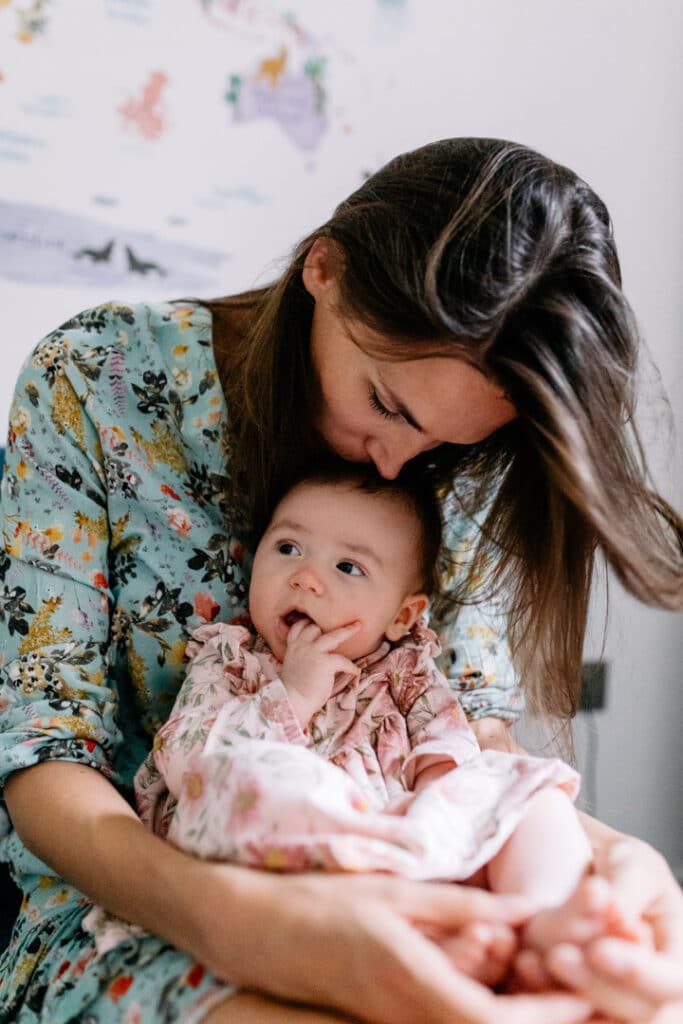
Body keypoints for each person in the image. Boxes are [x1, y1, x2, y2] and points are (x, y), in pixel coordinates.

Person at [0, 137, 682, 1023]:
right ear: (324, 268)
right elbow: (45, 754)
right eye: (387, 406)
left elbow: (472, 751)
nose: (402, 465)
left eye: (447, 444)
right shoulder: (97, 380)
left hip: (406, 873)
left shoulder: (452, 461)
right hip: (130, 905)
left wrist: (609, 864)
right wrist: (247, 926)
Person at [85, 465, 622, 990]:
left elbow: (446, 738)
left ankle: (537, 919)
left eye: (348, 568)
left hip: (394, 841)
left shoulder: (408, 669)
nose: (306, 576)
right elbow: (189, 762)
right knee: (260, 778)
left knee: (527, 786)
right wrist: (291, 695)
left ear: (402, 617)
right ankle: (418, 929)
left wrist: (440, 804)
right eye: (288, 548)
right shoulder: (232, 658)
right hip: (276, 861)